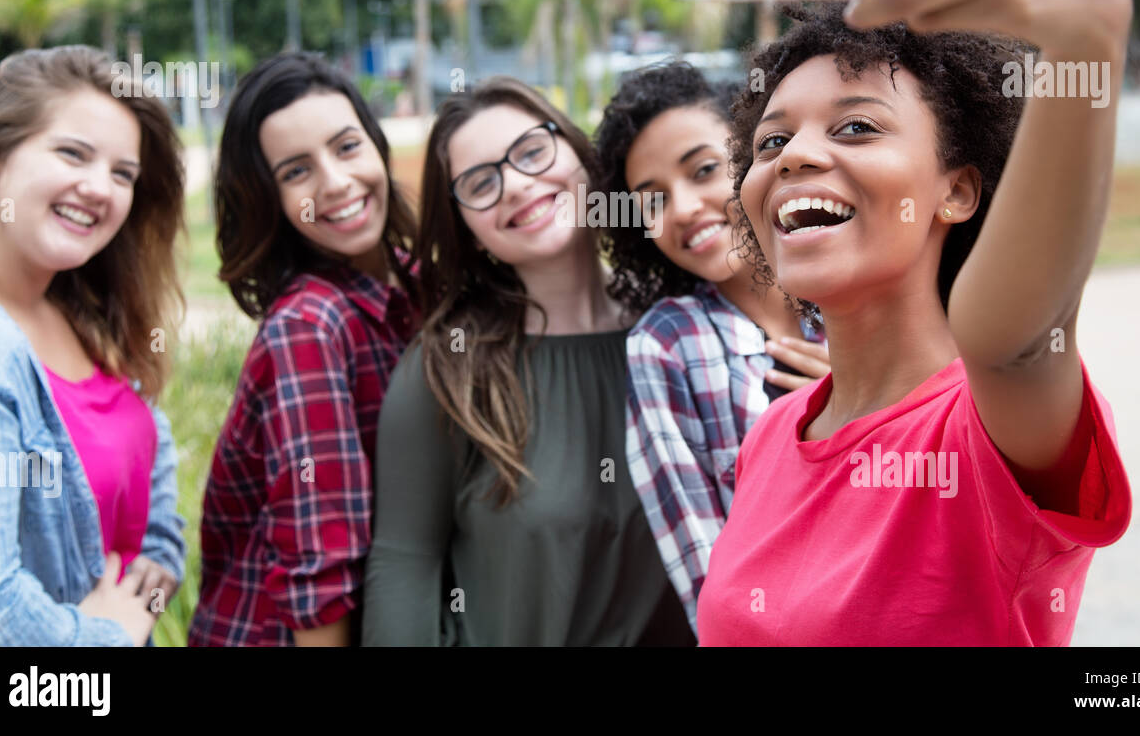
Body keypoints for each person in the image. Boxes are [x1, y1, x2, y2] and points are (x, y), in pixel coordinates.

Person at [697, 0, 1133, 645]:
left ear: (958, 191)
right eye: (773, 137)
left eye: (856, 126)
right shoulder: (775, 435)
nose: (792, 156)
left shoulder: (988, 424)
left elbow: (1010, 335)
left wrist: (1087, 27)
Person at [362, 76, 693, 646]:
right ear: (470, 230)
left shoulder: (683, 331)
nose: (515, 184)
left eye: (533, 151)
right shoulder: (448, 370)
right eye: (480, 183)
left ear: (579, 153)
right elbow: (403, 566)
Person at [188, 53, 419, 646]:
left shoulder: (419, 284)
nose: (335, 182)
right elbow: (320, 567)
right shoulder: (308, 326)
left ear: (376, 144)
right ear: (271, 199)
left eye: (346, 147)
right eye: (296, 172)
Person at [0, 45, 186, 646]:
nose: (99, 188)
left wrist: (142, 610)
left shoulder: (94, 320)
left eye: (123, 174)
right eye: (72, 154)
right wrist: (106, 639)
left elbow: (162, 541)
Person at [594, 59, 829, 630]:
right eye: (652, 199)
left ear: (756, 152)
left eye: (702, 170)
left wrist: (873, 392)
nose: (682, 208)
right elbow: (702, 561)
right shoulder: (669, 345)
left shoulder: (859, 282)